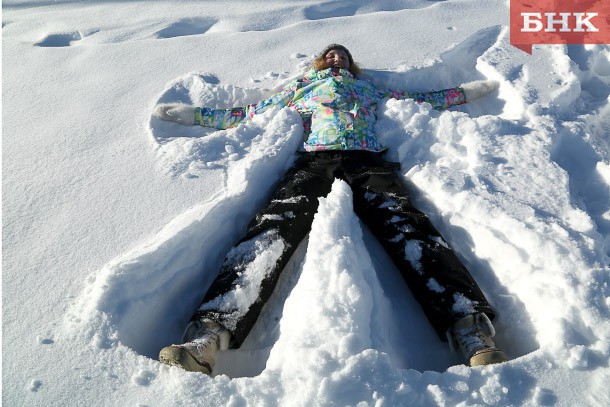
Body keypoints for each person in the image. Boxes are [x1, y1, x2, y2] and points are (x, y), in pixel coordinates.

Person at [154, 44, 508, 374]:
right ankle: (209, 336)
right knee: (274, 225)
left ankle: (469, 328)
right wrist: (194, 116)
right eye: (331, 55)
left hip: (367, 162)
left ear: (351, 65)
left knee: (408, 225)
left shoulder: (368, 89)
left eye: (343, 56)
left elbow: (421, 99)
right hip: (315, 161)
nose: (337, 58)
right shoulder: (303, 88)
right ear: (321, 63)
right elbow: (246, 113)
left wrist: (465, 93)